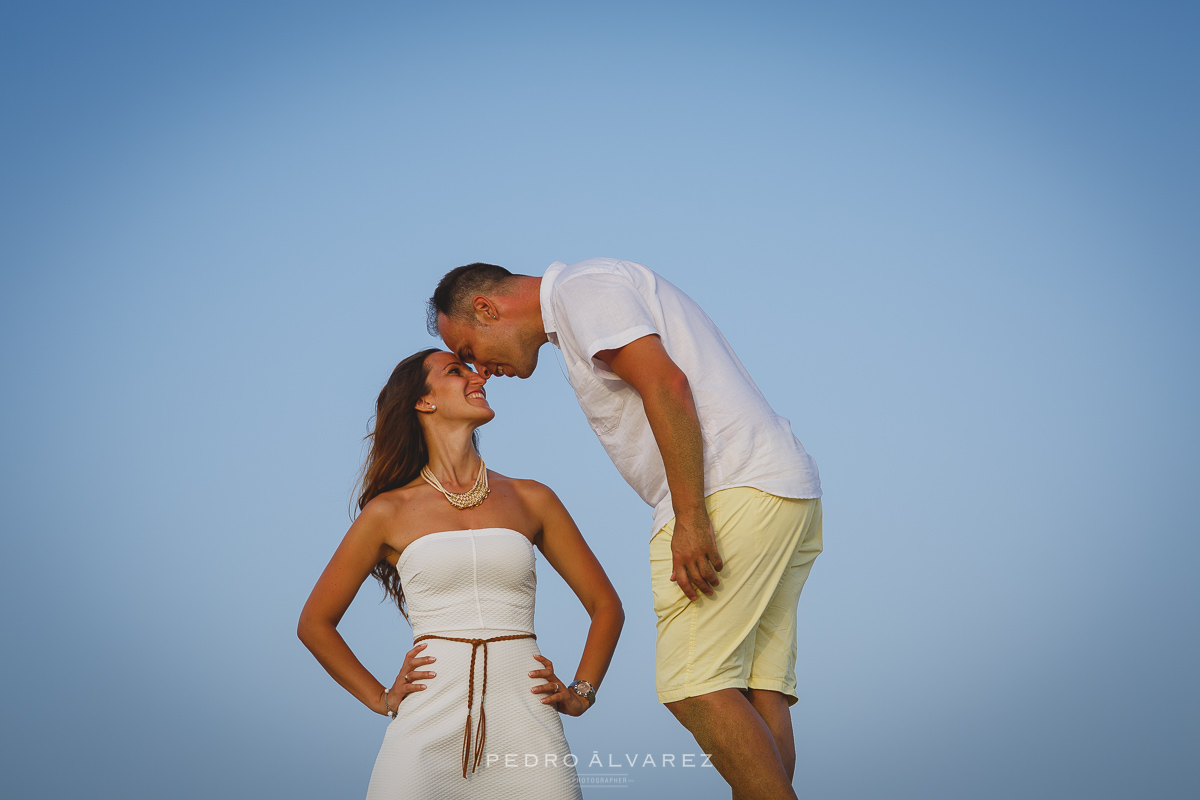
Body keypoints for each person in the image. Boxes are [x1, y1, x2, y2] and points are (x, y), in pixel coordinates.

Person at [430, 258, 823, 800]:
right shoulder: (585, 301)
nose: (481, 369)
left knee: (694, 686)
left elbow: (665, 383)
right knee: (757, 693)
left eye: (470, 351)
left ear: (486, 308)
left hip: (727, 492)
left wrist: (690, 517)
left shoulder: (580, 292)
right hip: (781, 489)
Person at [297, 348, 624, 800]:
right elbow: (314, 623)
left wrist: (581, 692)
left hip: (527, 722)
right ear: (423, 402)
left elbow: (606, 605)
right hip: (425, 726)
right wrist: (382, 698)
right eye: (456, 371)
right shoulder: (387, 512)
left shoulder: (532, 498)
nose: (478, 377)